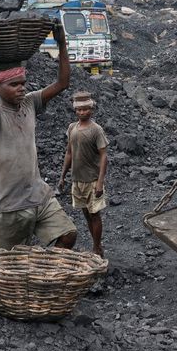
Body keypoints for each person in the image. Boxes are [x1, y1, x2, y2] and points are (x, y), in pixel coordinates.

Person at [0, 16, 77, 250]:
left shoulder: (30, 103)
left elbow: (62, 83)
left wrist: (62, 44)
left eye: (23, 83)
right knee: (8, 263)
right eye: (14, 84)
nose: (21, 88)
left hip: (39, 196)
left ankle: (40, 276)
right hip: (8, 206)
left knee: (68, 235)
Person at [59, 92, 109, 257]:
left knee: (95, 214)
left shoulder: (96, 130)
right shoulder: (72, 128)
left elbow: (104, 156)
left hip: (92, 179)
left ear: (91, 109)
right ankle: (96, 245)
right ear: (75, 110)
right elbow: (69, 153)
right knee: (87, 214)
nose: (82, 112)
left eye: (85, 109)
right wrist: (63, 176)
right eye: (79, 110)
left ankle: (97, 248)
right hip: (77, 179)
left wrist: (100, 182)